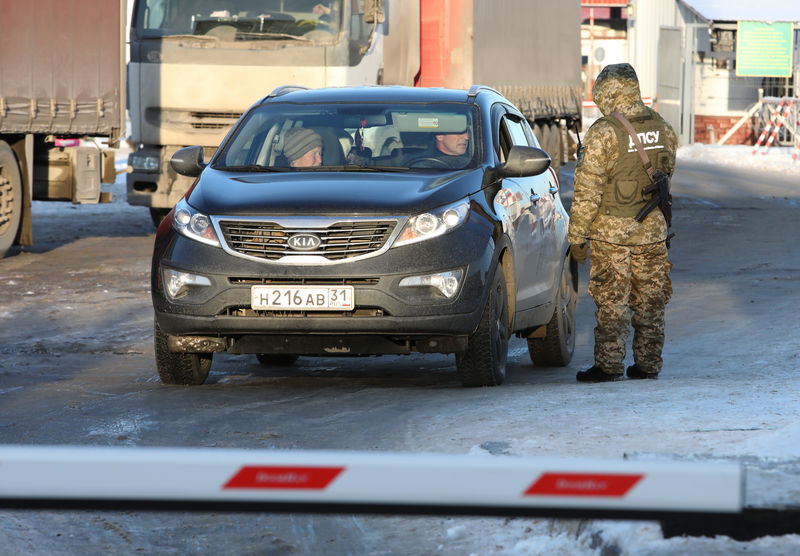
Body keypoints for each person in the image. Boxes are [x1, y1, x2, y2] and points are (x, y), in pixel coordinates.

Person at [568, 63, 678, 383]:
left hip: (611, 234)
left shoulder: (603, 131)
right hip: (653, 230)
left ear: (607, 92)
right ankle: (648, 364)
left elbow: (588, 190)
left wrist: (578, 236)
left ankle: (610, 364)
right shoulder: (663, 127)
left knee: (612, 299)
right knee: (651, 299)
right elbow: (666, 173)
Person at [407, 128, 471, 169]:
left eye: (468, 132)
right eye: (459, 132)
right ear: (440, 136)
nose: (467, 137)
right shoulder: (415, 162)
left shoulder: (475, 163)